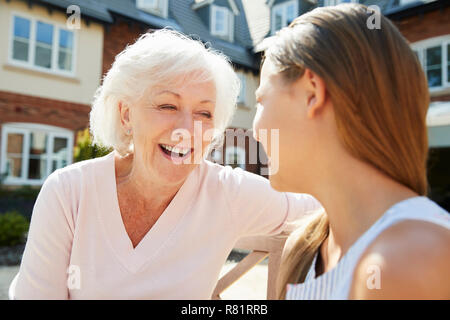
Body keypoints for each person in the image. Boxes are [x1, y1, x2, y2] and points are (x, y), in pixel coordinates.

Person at [9, 29, 323, 299]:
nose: (187, 128)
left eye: (204, 113)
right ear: (126, 114)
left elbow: (329, 204)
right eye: (167, 105)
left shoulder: (226, 192)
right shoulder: (68, 193)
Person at [253, 3, 450, 299]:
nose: (255, 129)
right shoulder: (305, 248)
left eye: (261, 100)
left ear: (312, 93)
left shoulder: (407, 259)